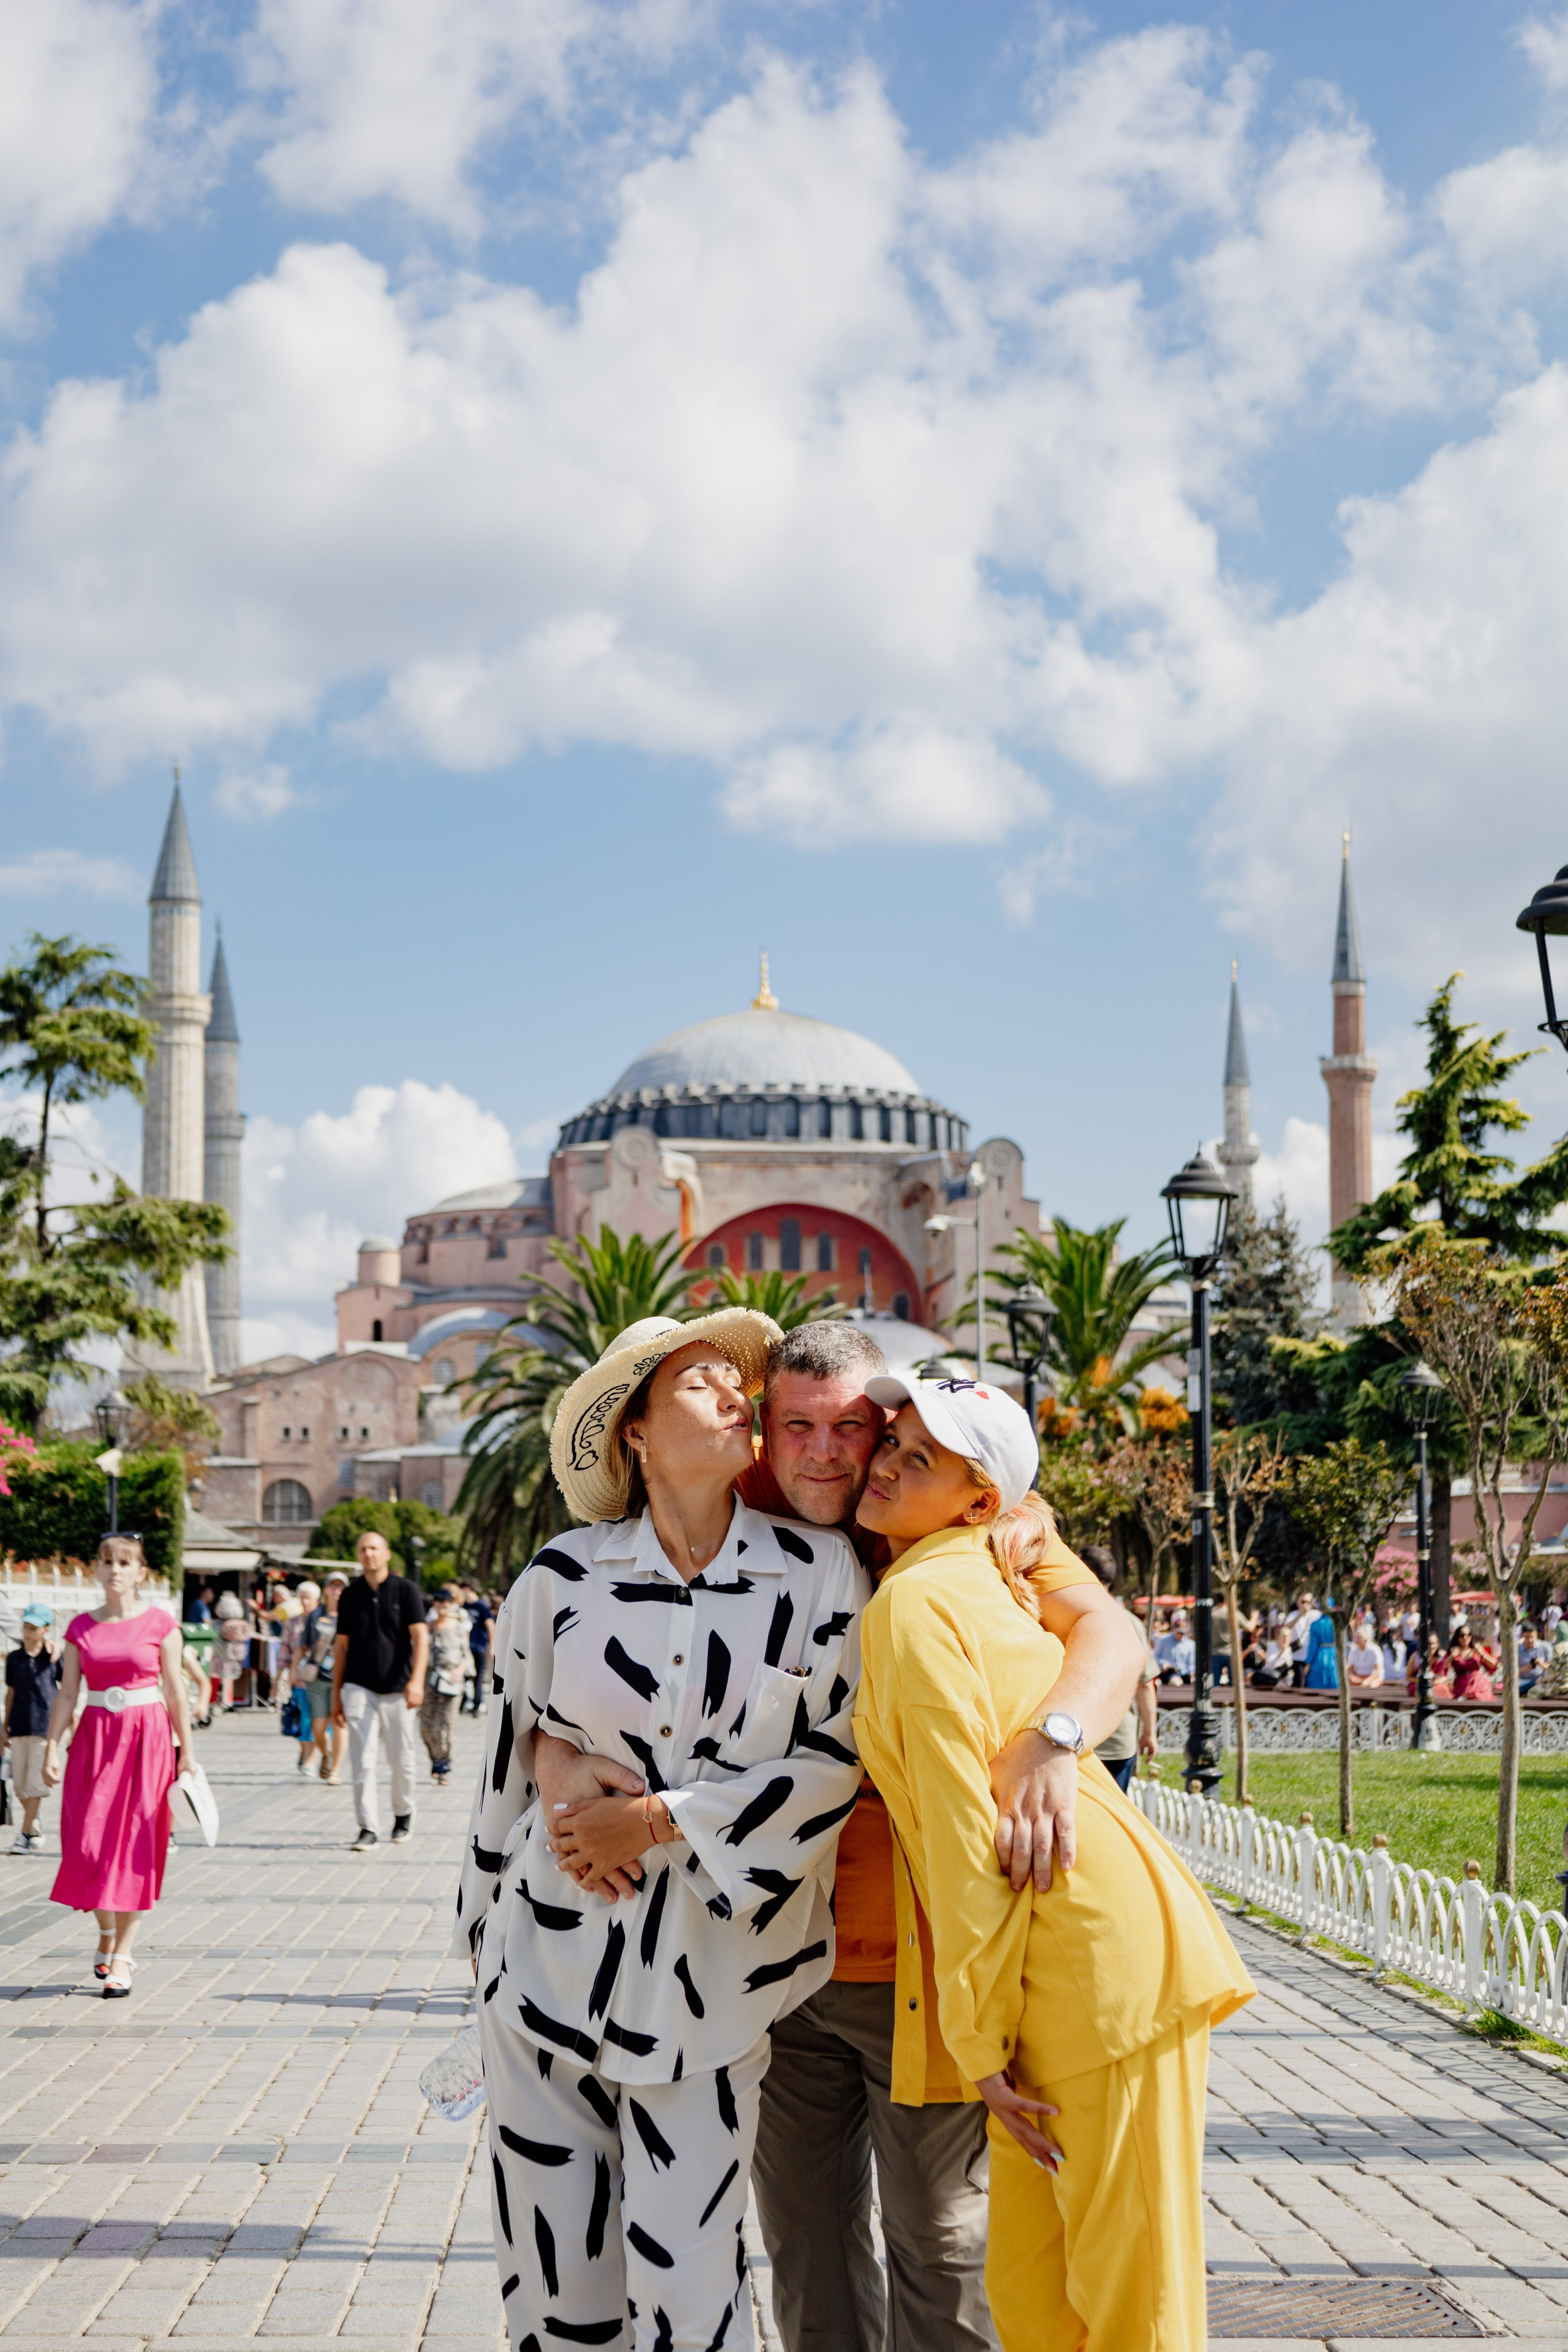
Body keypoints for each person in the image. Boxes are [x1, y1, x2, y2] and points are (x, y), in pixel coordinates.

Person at [533, 1319, 1147, 2352]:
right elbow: (592, 1639)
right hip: (774, 1958)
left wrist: (1054, 1739)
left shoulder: (965, 1514)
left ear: (893, 1429)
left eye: (855, 1429)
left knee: (940, 2246)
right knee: (807, 2245)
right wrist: (551, 1754)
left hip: (925, 1958)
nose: (827, 1451)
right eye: (798, 1426)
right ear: (763, 1430)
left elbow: (1113, 1632)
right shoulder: (742, 1508)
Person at [456, 1308, 868, 2352]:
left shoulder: (817, 1576)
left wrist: (655, 1822)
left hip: (711, 1993)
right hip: (544, 1978)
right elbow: (504, 1778)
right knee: (555, 2290)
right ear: (634, 1428)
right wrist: (480, 1956)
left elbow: (835, 1763)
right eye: (700, 1382)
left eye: (741, 1384)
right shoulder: (560, 1580)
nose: (738, 1395)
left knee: (694, 2288)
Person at [851, 1374, 1254, 2352]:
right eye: (892, 1443)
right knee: (1037, 2297)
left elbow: (961, 1838)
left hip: (1097, 1968)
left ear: (981, 1500)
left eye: (921, 1460)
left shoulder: (923, 1602)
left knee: (1130, 2298)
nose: (885, 1466)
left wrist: (977, 2046)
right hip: (1054, 1961)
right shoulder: (962, 1574)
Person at [41, 1533, 194, 1997]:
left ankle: (124, 1952)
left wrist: (187, 1751)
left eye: (125, 1563)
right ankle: (106, 1930)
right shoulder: (80, 1629)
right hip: (94, 1740)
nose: (115, 1570)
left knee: (134, 1846)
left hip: (146, 1740)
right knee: (86, 1845)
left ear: (140, 1572)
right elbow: (68, 1692)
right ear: (97, 1569)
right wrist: (51, 1745)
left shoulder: (161, 1625)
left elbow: (174, 1691)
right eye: (107, 1562)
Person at [333, 1532, 428, 1848]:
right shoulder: (350, 1595)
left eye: (374, 1548)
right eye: (363, 1549)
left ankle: (403, 1816)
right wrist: (337, 1695)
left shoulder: (407, 1591)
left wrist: (417, 1681)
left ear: (387, 1553)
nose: (368, 1554)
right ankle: (368, 1827)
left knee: (401, 1759)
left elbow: (421, 1639)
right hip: (359, 1687)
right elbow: (342, 1647)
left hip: (399, 1689)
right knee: (363, 1759)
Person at [1082, 1546, 1159, 1793]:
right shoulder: (1130, 1623)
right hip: (1116, 1740)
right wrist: (1149, 1732)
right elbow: (1145, 1684)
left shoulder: (1067, 1616)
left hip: (1076, 1738)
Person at [4, 1604, 61, 1853]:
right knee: (18, 1787)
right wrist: (4, 1726)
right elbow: (11, 1693)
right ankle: (34, 1823)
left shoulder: (53, 1657)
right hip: (18, 1727)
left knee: (34, 1785)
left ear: (46, 1630)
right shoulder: (14, 1659)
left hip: (43, 1728)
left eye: (34, 1628)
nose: (28, 1632)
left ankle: (24, 1835)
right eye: (26, 1627)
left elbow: (67, 1691)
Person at [420, 1588, 467, 1785]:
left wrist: (458, 1671)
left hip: (452, 1680)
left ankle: (444, 1765)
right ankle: (435, 1758)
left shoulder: (459, 1627)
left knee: (446, 1725)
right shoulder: (426, 1627)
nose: (443, 1605)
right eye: (439, 1601)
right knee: (426, 1725)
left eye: (447, 1602)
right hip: (429, 1679)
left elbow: (467, 1656)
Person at [461, 1583, 492, 1715]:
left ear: (467, 1589)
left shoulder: (481, 1606)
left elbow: (490, 1625)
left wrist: (492, 1647)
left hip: (479, 1646)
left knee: (478, 1677)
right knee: (465, 1676)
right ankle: (463, 1702)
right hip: (465, 1647)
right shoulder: (463, 1606)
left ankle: (477, 1704)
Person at [1346, 1619, 1384, 1689]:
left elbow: (1378, 1671)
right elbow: (1350, 1668)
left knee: (1371, 1686)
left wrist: (1367, 1681)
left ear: (1365, 1640)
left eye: (1358, 1638)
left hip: (1372, 1677)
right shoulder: (1354, 1651)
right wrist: (1352, 1677)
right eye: (1356, 1638)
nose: (1356, 1640)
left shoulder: (1374, 1650)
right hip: (1358, 1676)